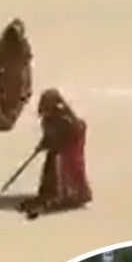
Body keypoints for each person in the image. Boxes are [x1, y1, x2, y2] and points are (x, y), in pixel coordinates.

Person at [22, 89, 91, 218]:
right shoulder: (50, 118)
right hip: (58, 148)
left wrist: (50, 143)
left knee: (66, 171)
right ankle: (50, 193)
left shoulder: (65, 119)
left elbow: (72, 133)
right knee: (51, 170)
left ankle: (68, 196)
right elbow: (49, 134)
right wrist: (44, 143)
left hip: (67, 149)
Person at [0, 19, 33, 131]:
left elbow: (27, 58)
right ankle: (3, 115)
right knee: (3, 94)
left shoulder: (22, 44)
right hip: (5, 74)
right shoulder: (4, 42)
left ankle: (10, 117)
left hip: (17, 76)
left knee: (16, 96)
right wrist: (0, 65)